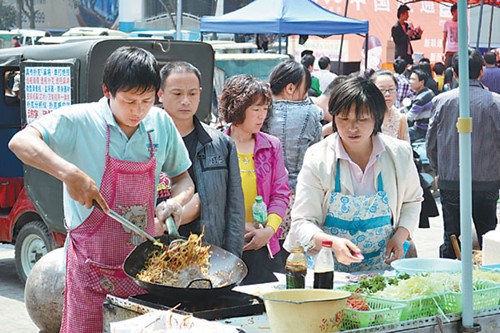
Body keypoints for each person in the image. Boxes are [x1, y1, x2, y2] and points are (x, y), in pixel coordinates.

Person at [8, 46, 194, 332]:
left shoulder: (159, 123)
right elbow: (21, 143)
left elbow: (183, 179)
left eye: (146, 100)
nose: (138, 110)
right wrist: (68, 173)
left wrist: (177, 203)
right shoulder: (80, 120)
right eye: (129, 101)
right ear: (107, 90)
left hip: (144, 271)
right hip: (90, 271)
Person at [284, 77, 422, 272]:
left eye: (362, 119)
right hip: (329, 270)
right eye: (343, 119)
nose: (352, 128)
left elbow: (412, 200)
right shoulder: (318, 157)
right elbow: (303, 222)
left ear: (376, 118)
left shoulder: (399, 154)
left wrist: (399, 236)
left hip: (384, 271)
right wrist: (332, 243)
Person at [158, 61, 245, 256]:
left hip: (207, 254)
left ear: (200, 93)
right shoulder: (146, 142)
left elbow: (234, 209)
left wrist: (232, 259)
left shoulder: (221, 143)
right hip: (155, 252)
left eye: (192, 93)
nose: (186, 101)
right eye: (177, 93)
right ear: (160, 94)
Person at [427, 50, 500, 259]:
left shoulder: (442, 101)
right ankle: (489, 281)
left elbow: (431, 143)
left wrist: (437, 169)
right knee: (488, 237)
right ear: (482, 71)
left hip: (451, 178)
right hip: (488, 179)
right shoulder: (496, 102)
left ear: (454, 73)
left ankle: (451, 280)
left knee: (452, 236)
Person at [219, 74, 290, 284]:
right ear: (237, 108)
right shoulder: (216, 144)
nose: (261, 116)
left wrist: (268, 231)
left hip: (264, 245)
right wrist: (237, 227)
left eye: (265, 109)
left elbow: (281, 194)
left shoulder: (271, 145)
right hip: (226, 247)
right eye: (255, 109)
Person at [262, 59, 322, 243]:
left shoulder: (261, 110)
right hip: (300, 196)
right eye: (304, 90)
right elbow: (317, 155)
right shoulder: (312, 113)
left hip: (265, 197)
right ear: (290, 88)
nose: (305, 95)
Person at [371, 70, 410, 142]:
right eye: (382, 90)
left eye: (391, 89)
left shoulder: (400, 118)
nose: (387, 94)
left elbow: (407, 150)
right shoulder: (365, 116)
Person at [407, 69, 435, 142]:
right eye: (410, 79)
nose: (410, 82)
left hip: (421, 130)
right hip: (428, 128)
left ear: (421, 82)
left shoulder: (421, 99)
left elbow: (409, 117)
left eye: (413, 79)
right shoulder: (429, 92)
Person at [443, 4, 458, 68]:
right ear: (453, 12)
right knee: (448, 68)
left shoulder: (462, 22)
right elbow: (444, 38)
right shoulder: (447, 23)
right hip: (450, 50)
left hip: (459, 50)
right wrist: (443, 52)